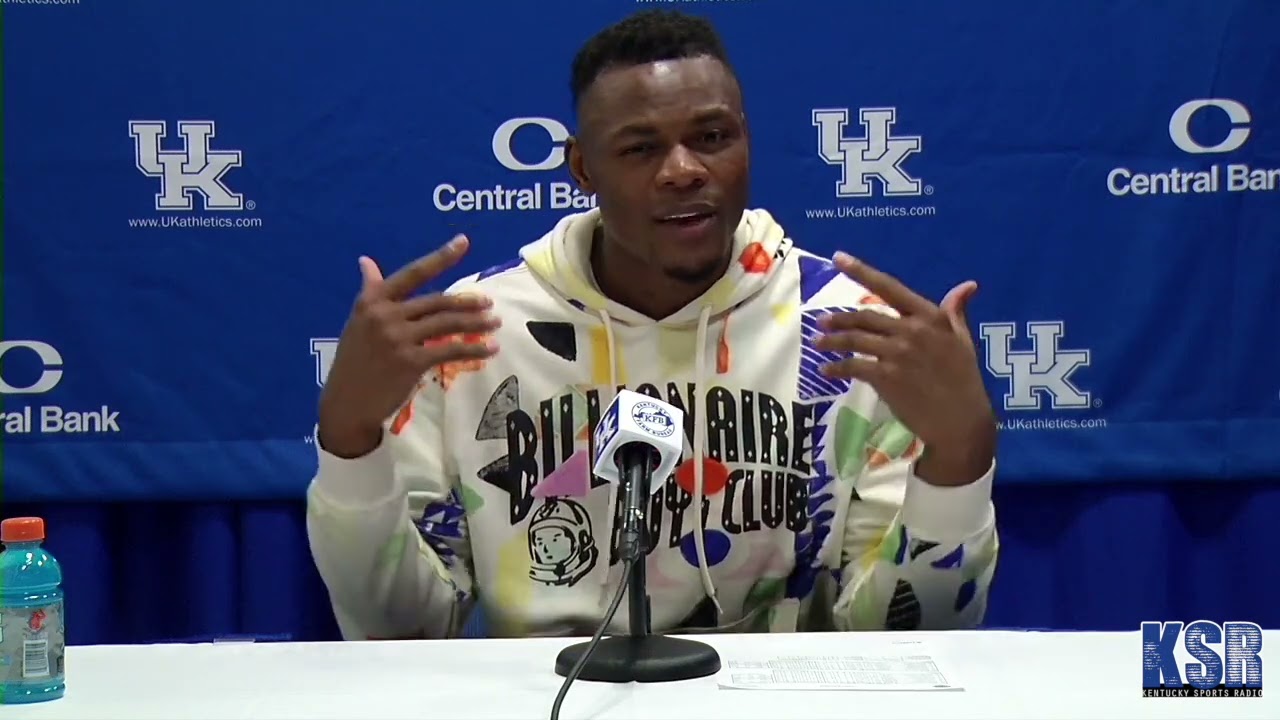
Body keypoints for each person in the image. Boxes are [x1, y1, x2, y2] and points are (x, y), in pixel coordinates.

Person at [307, 9, 999, 641]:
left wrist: (958, 462)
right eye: (640, 149)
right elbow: (400, 636)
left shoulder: (847, 333)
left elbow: (907, 639)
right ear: (584, 168)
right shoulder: (476, 334)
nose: (683, 170)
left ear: (747, 143)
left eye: (712, 137)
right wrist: (350, 440)